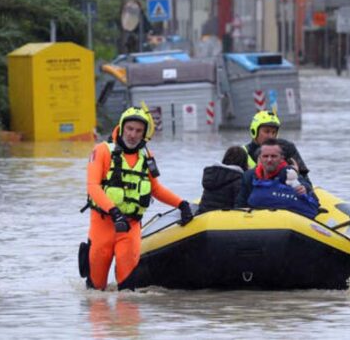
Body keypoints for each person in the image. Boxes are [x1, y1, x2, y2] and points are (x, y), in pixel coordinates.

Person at [80, 106, 194, 290]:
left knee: (127, 290)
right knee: (96, 289)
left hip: (130, 227)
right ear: (122, 127)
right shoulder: (101, 151)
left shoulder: (147, 156)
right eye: (130, 129)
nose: (133, 135)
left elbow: (155, 189)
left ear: (144, 134)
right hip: (103, 225)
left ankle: (127, 318)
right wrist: (114, 212)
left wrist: (181, 204)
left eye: (138, 131)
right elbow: (93, 187)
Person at [236, 139, 319, 218]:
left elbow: (306, 186)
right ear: (260, 158)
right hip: (257, 221)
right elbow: (240, 204)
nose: (269, 160)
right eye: (265, 156)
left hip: (285, 221)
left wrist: (304, 189)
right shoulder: (249, 176)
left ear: (281, 158)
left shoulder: (289, 174)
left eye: (273, 156)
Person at [242, 110, 310, 180]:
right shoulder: (242, 153)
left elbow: (306, 182)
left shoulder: (288, 148)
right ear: (254, 131)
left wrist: (297, 177)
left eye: (274, 132)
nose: (271, 136)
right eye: (266, 131)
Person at [196, 145, 247, 214]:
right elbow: (240, 207)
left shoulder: (212, 176)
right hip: (223, 219)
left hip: (202, 216)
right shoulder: (239, 181)